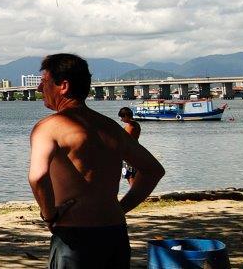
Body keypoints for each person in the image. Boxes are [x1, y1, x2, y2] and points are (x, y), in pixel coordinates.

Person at [29, 54, 164, 268]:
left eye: (44, 82)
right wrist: (121, 207)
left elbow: (37, 177)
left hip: (74, 234)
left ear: (63, 86)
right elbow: (153, 170)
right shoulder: (110, 127)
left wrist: (49, 215)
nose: (38, 89)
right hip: (114, 232)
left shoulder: (48, 127)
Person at [118, 107, 141, 187]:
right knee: (132, 175)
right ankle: (136, 192)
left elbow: (127, 140)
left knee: (130, 175)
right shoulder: (135, 124)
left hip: (130, 153)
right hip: (135, 151)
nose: (121, 119)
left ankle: (133, 194)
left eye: (122, 117)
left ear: (126, 116)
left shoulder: (130, 126)